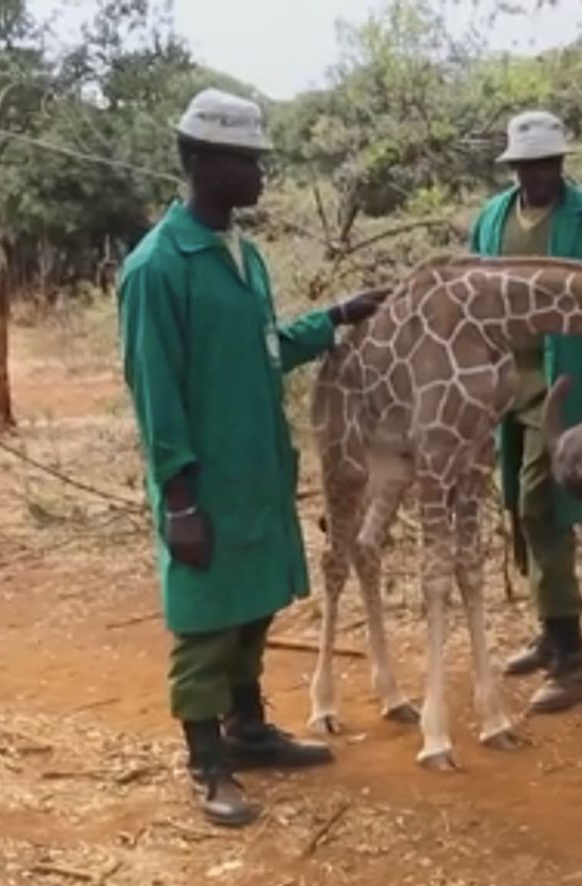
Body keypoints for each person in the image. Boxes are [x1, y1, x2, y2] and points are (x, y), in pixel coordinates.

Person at [119, 87, 388, 827]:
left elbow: (265, 350)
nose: (260, 174)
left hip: (257, 472)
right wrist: (180, 501)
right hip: (203, 480)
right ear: (202, 161)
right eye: (247, 161)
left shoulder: (246, 256)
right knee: (206, 621)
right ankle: (209, 764)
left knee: (254, 606)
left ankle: (249, 729)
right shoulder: (157, 268)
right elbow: (155, 394)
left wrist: (334, 319)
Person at [466, 110, 582, 714]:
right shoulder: (491, 219)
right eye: (526, 165)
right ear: (513, 167)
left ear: (561, 163)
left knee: (543, 501)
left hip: (568, 384)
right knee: (520, 504)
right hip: (508, 380)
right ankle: (550, 628)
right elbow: (471, 298)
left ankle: (572, 657)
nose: (536, 175)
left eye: (546, 164)